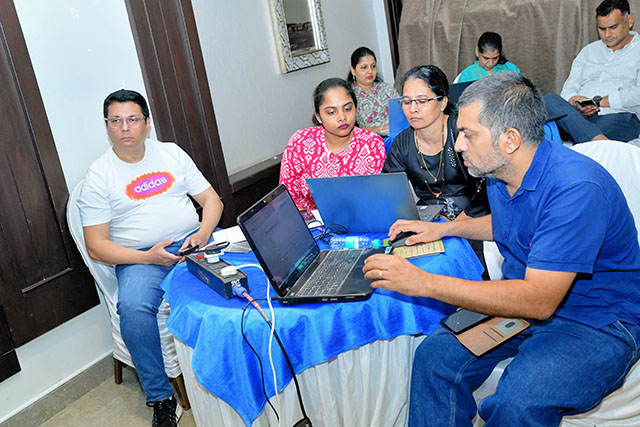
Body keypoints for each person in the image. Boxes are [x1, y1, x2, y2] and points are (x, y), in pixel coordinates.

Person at [363, 72, 640, 425]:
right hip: (525, 304)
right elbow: (511, 224)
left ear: (510, 139)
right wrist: (444, 228)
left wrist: (423, 283)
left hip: (597, 320)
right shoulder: (500, 171)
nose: (458, 145)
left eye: (468, 134)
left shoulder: (575, 188)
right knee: (434, 358)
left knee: (516, 401)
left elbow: (538, 300)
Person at [78, 89, 224, 427]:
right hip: (140, 258)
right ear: (107, 126)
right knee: (132, 309)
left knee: (244, 273)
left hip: (194, 241)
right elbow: (96, 246)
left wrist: (202, 234)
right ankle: (160, 397)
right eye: (116, 121)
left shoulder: (171, 153)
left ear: (147, 123)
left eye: (132, 119)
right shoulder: (99, 175)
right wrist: (148, 258)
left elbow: (212, 201)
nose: (124, 128)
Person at [384, 65, 490, 276]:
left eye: (422, 101)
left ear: (442, 102)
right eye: (407, 101)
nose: (413, 109)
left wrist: (453, 226)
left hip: (472, 216)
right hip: (428, 218)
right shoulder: (402, 143)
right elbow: (389, 192)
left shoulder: (461, 132)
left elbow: (488, 186)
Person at [279, 77, 386, 210]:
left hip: (359, 218)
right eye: (331, 112)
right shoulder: (300, 142)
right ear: (318, 116)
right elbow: (287, 199)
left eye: (347, 109)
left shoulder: (372, 144)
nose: (342, 117)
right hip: (309, 220)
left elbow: (375, 197)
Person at [544, 0, 640, 143]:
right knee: (549, 99)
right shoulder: (588, 51)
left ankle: (584, 138)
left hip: (618, 116)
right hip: (578, 116)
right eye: (602, 29)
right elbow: (569, 89)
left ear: (630, 20)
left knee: (605, 125)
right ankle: (594, 139)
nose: (607, 34)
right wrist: (577, 103)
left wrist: (600, 102)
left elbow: (637, 94)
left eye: (613, 27)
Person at [347, 46, 399, 136]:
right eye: (364, 67)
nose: (370, 71)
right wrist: (382, 128)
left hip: (398, 135)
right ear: (353, 70)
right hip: (369, 140)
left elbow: (402, 111)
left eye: (373, 66)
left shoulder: (386, 88)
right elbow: (352, 128)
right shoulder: (349, 95)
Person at [456, 32, 521, 83]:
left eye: (495, 58)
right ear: (477, 52)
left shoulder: (511, 69)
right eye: (486, 58)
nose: (490, 63)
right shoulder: (467, 75)